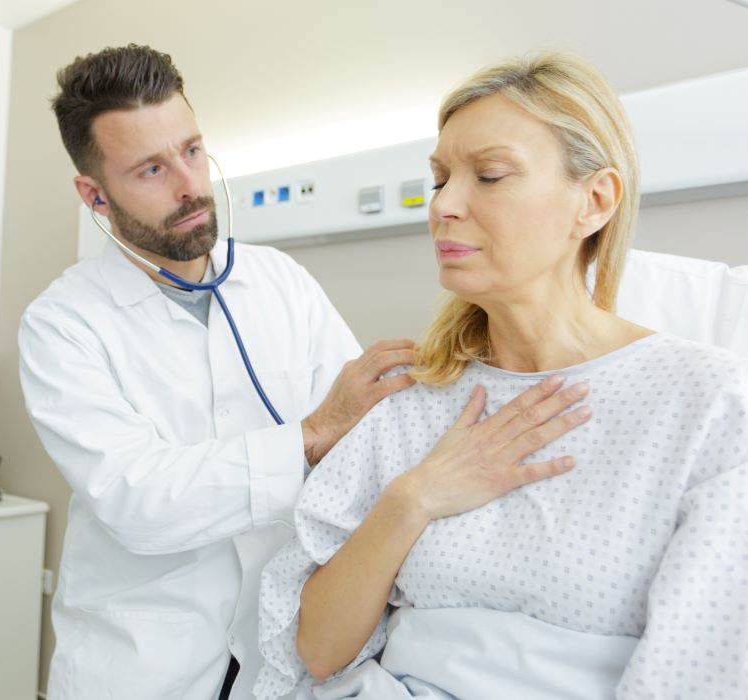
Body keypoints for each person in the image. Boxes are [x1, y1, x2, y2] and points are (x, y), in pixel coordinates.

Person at [19, 45, 586, 700]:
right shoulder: (62, 324)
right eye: (150, 169)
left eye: (193, 151)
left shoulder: (278, 280)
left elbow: (369, 434)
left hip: (284, 649)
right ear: (94, 194)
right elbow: (135, 501)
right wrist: (312, 434)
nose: (189, 185)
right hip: (146, 664)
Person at [256, 52, 748, 700]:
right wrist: (414, 498)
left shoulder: (710, 406)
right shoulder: (410, 401)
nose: (443, 206)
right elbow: (316, 651)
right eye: (438, 180)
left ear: (593, 202)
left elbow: (698, 675)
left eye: (488, 175)